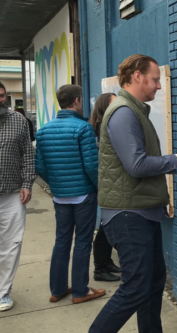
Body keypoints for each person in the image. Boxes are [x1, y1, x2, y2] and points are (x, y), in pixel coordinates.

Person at [89, 54, 177, 333]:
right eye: (154, 79)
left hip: (141, 212)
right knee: (137, 287)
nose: (159, 86)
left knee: (151, 284)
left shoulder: (133, 110)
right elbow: (136, 165)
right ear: (137, 76)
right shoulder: (124, 112)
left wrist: (173, 160)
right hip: (129, 215)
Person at [35, 84, 106, 304]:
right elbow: (92, 166)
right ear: (76, 101)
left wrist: (57, 185)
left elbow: (40, 166)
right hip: (84, 194)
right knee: (83, 241)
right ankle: (80, 291)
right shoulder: (83, 129)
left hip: (60, 195)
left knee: (62, 240)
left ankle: (57, 290)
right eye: (81, 99)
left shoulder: (43, 130)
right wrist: (98, 187)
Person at [0, 81, 36, 312]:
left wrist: (27, 183)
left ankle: (3, 292)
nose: (0, 100)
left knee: (11, 244)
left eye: (2, 95)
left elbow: (28, 155)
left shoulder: (18, 120)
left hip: (12, 193)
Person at [89, 93, 121, 282]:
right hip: (109, 182)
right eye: (114, 103)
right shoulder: (103, 127)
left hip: (110, 182)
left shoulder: (102, 125)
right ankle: (100, 268)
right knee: (105, 226)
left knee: (106, 224)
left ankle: (106, 261)